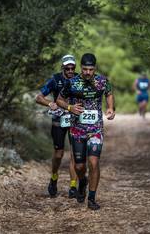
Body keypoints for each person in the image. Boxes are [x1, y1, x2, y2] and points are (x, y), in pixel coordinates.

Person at [56, 53, 115, 210]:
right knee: (80, 167)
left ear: (95, 68)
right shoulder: (72, 83)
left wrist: (110, 108)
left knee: (94, 162)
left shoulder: (102, 81)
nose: (88, 72)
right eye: (85, 69)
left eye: (91, 69)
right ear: (80, 68)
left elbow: (109, 94)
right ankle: (82, 182)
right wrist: (69, 107)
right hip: (77, 130)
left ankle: (92, 198)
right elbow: (59, 100)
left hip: (96, 129)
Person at [35, 55, 79, 198]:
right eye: (68, 68)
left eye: (73, 68)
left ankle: (73, 186)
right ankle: (54, 178)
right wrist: (49, 103)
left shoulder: (79, 79)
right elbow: (38, 97)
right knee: (59, 154)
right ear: (63, 68)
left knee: (75, 154)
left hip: (75, 120)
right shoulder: (55, 79)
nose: (71, 71)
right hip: (58, 120)